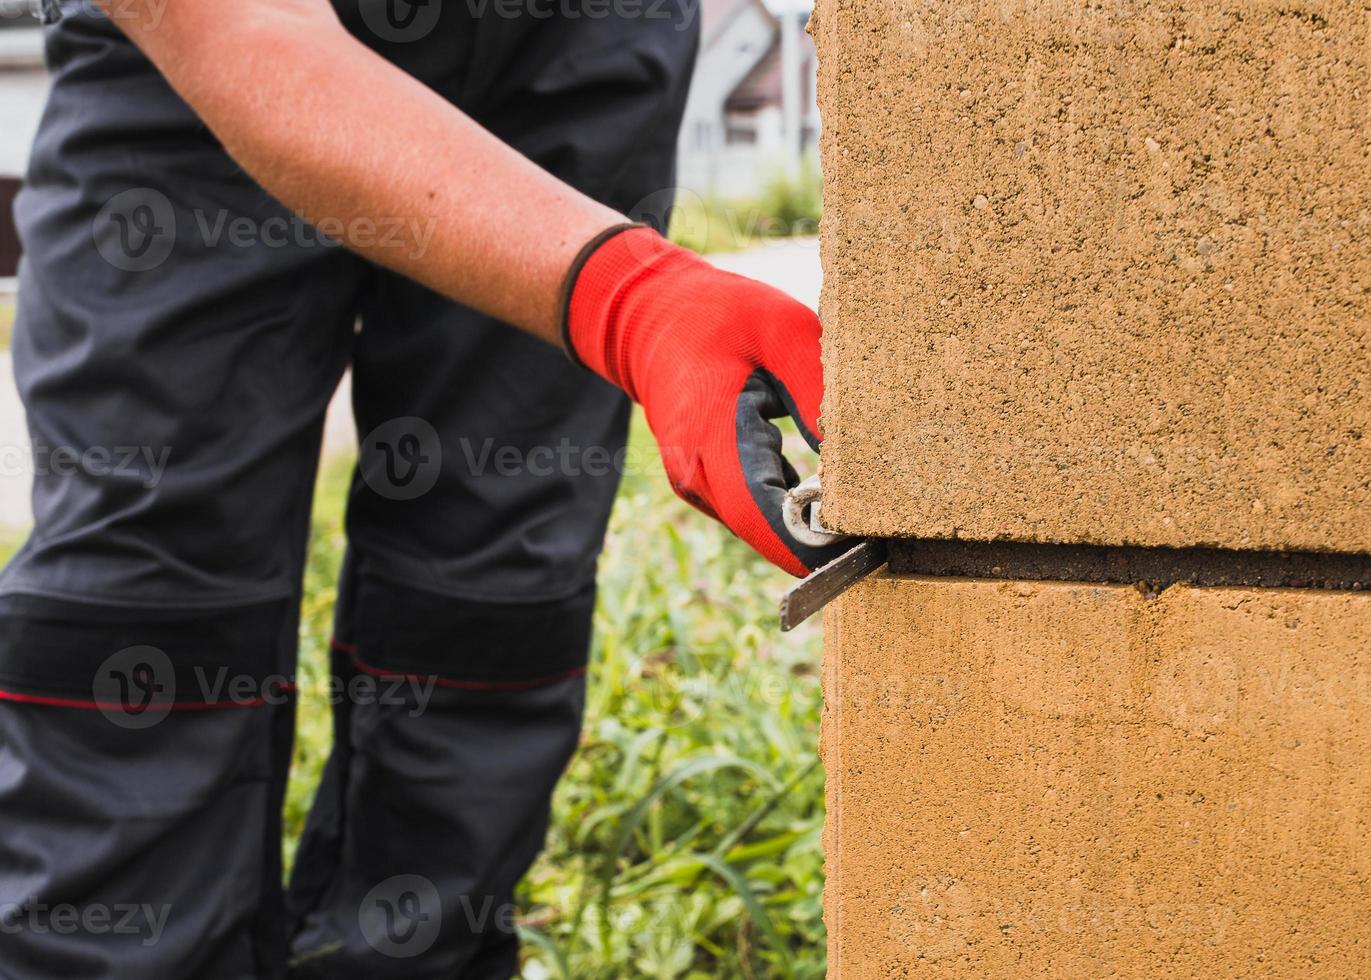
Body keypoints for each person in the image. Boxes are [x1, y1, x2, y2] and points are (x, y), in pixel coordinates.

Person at [0, 0, 843, 975]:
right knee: (146, 607)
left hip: (580, 37)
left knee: (489, 597)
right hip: (197, 65)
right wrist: (630, 302)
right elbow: (237, 28)